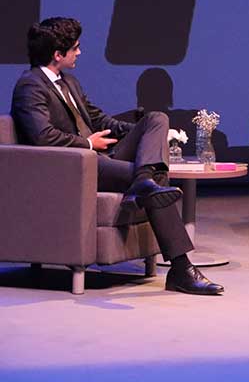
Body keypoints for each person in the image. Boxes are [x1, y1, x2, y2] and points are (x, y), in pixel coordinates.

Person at [11, 17, 224, 295]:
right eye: (75, 48)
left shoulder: (69, 82)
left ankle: (143, 180)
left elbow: (99, 119)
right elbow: (42, 136)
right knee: (156, 182)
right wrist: (87, 143)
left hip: (101, 159)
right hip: (76, 168)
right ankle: (181, 268)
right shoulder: (30, 86)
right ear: (57, 54)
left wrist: (141, 132)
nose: (79, 53)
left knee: (157, 119)